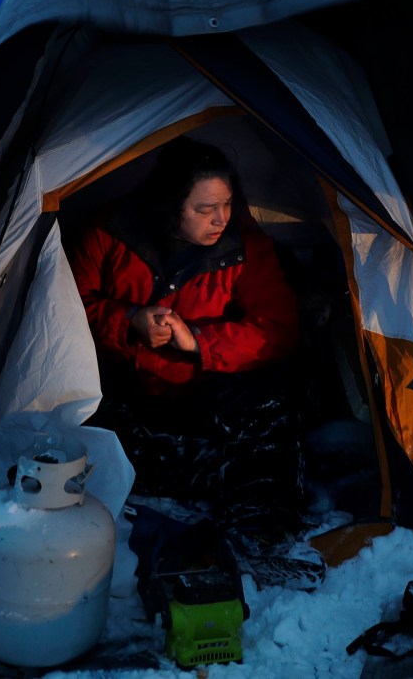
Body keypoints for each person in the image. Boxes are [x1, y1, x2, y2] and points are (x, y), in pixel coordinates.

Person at [70, 137, 307, 536]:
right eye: (206, 209)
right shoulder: (108, 233)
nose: (222, 219)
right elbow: (63, 309)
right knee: (74, 412)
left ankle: (255, 525)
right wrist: (129, 318)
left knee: (273, 408)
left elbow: (278, 329)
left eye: (227, 204)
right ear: (171, 204)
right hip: (122, 387)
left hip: (202, 394)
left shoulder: (245, 249)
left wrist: (198, 341)